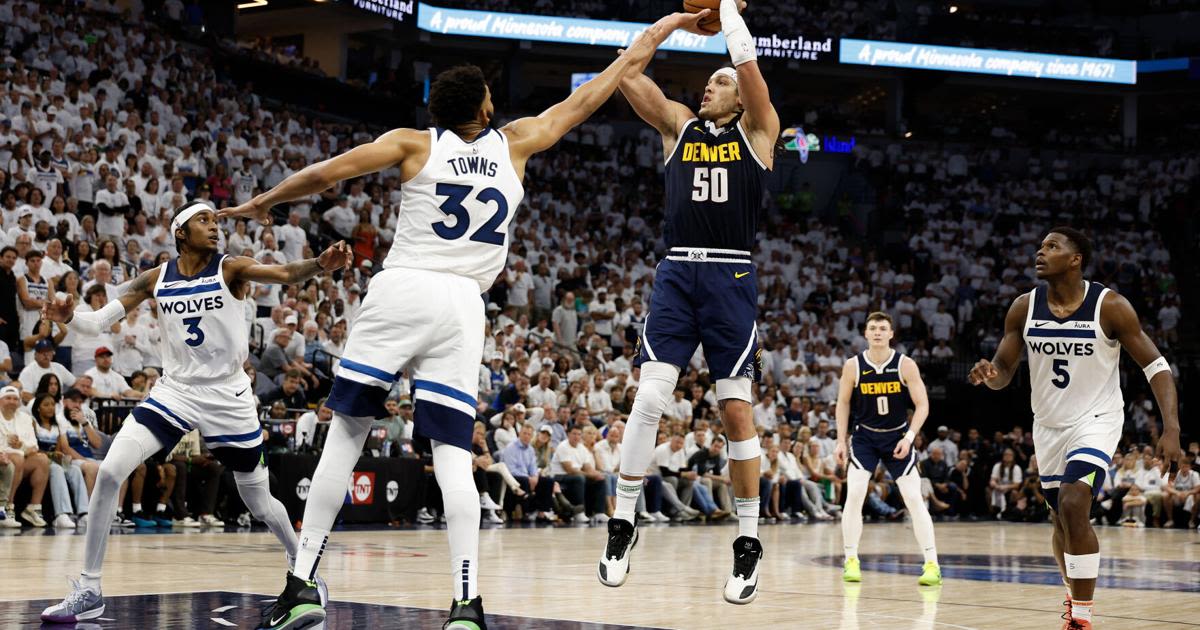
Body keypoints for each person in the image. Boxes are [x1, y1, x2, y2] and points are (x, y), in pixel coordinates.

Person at [222, 13, 702, 630]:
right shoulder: (518, 142)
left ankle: (303, 583)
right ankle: (466, 604)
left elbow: (326, 173)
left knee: (345, 435)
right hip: (464, 306)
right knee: (452, 454)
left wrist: (264, 201)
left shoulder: (414, 143)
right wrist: (656, 35)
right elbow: (591, 95)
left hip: (404, 289)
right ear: (483, 104)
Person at [39, 201, 350, 624]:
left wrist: (319, 263)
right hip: (176, 391)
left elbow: (283, 274)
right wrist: (68, 318)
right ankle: (89, 588)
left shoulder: (231, 268)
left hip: (228, 396)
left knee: (258, 500)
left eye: (215, 220)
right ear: (180, 232)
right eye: (203, 220)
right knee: (110, 471)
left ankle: (304, 572)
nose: (214, 227)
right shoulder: (156, 277)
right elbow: (97, 322)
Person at [597, 0, 781, 605]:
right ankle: (622, 523)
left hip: (731, 279)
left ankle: (748, 543)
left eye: (719, 81)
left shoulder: (759, 131)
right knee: (650, 395)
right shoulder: (679, 127)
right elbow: (627, 74)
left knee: (735, 412)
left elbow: (749, 67)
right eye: (707, 81)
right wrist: (674, 23)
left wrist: (726, 13)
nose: (710, 87)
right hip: (678, 272)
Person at [968, 227, 1184, 630]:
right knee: (1060, 519)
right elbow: (1003, 373)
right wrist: (990, 374)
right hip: (1048, 426)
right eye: (1040, 245)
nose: (1040, 251)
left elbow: (1156, 366)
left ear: (1075, 259)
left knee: (1073, 501)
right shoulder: (1023, 307)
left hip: (1097, 420)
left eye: (1052, 246)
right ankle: (1074, 594)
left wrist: (1170, 428)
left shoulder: (1110, 306)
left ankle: (1081, 618)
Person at [834, 311, 941, 586]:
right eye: (873, 328)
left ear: (891, 333)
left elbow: (923, 405)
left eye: (883, 328)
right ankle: (851, 559)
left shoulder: (905, 365)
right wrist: (839, 439)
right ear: (866, 333)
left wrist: (909, 437)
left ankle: (931, 564)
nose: (878, 332)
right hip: (865, 437)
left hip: (897, 438)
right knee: (855, 493)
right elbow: (843, 403)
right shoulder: (853, 366)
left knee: (914, 499)